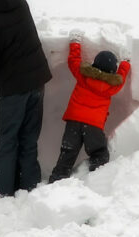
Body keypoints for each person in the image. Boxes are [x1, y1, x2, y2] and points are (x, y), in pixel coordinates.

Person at [0, 0, 53, 197]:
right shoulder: (22, 4)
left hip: (12, 91)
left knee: (8, 141)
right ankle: (29, 188)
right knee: (29, 139)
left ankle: (2, 193)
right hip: (38, 83)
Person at [48, 30, 131, 182]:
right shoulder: (112, 86)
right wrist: (125, 62)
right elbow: (121, 78)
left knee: (67, 154)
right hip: (93, 127)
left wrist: (75, 42)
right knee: (100, 154)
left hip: (73, 123)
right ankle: (86, 176)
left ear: (94, 63)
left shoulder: (83, 75)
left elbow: (73, 61)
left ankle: (56, 181)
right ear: (112, 72)